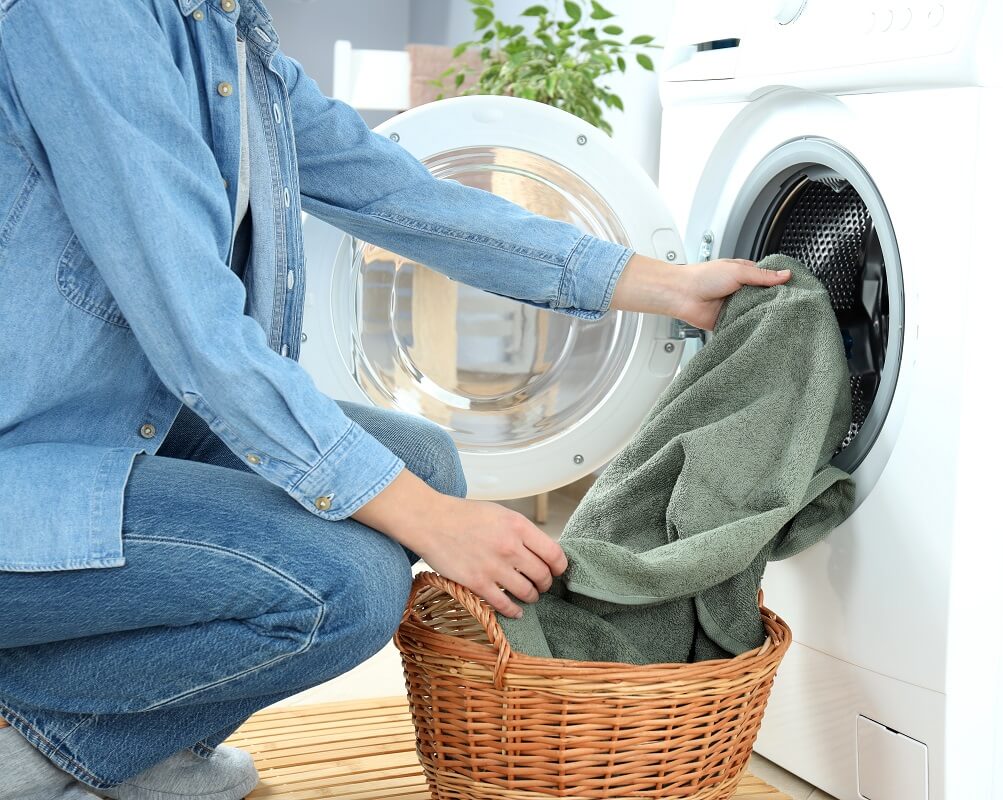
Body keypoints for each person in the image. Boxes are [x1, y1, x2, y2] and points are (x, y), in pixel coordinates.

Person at [0, 0, 792, 797]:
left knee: (423, 460)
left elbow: (401, 196)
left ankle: (132, 733)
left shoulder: (225, 29)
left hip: (123, 434)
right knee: (345, 587)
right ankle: (45, 743)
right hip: (27, 466)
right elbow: (196, 330)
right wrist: (429, 521)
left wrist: (667, 286)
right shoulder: (80, 15)